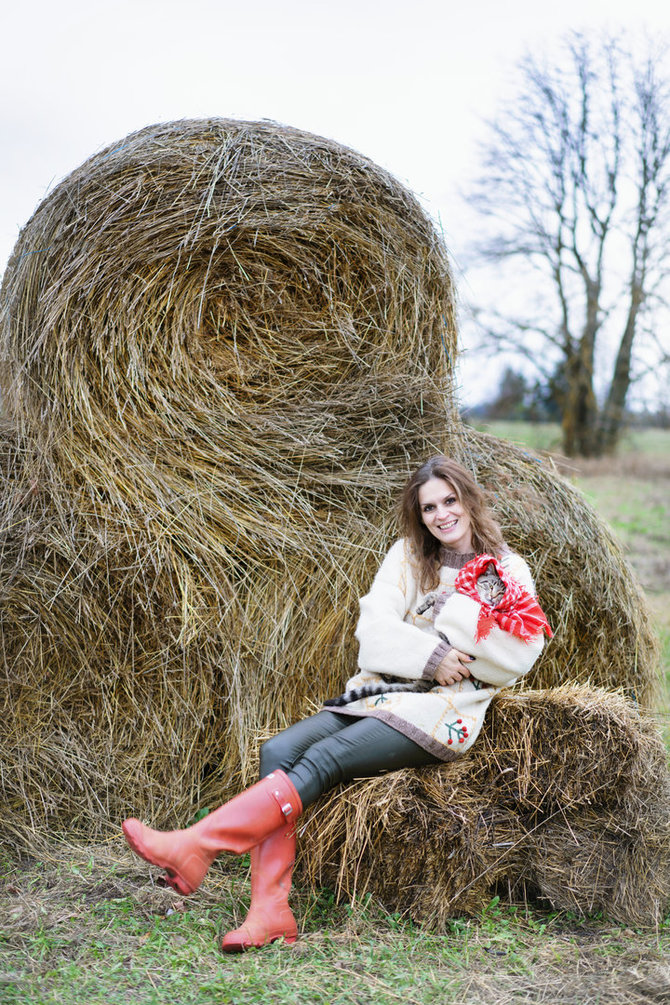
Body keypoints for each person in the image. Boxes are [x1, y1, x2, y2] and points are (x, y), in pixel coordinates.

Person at [122, 455, 550, 952]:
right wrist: (431, 655)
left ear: (469, 500)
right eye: (429, 507)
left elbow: (519, 653)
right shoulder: (409, 557)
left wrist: (458, 623)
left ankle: (199, 844)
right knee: (278, 752)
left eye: (450, 501)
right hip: (380, 693)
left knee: (326, 758)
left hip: (443, 711)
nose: (442, 515)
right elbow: (372, 627)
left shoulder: (507, 569)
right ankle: (270, 912)